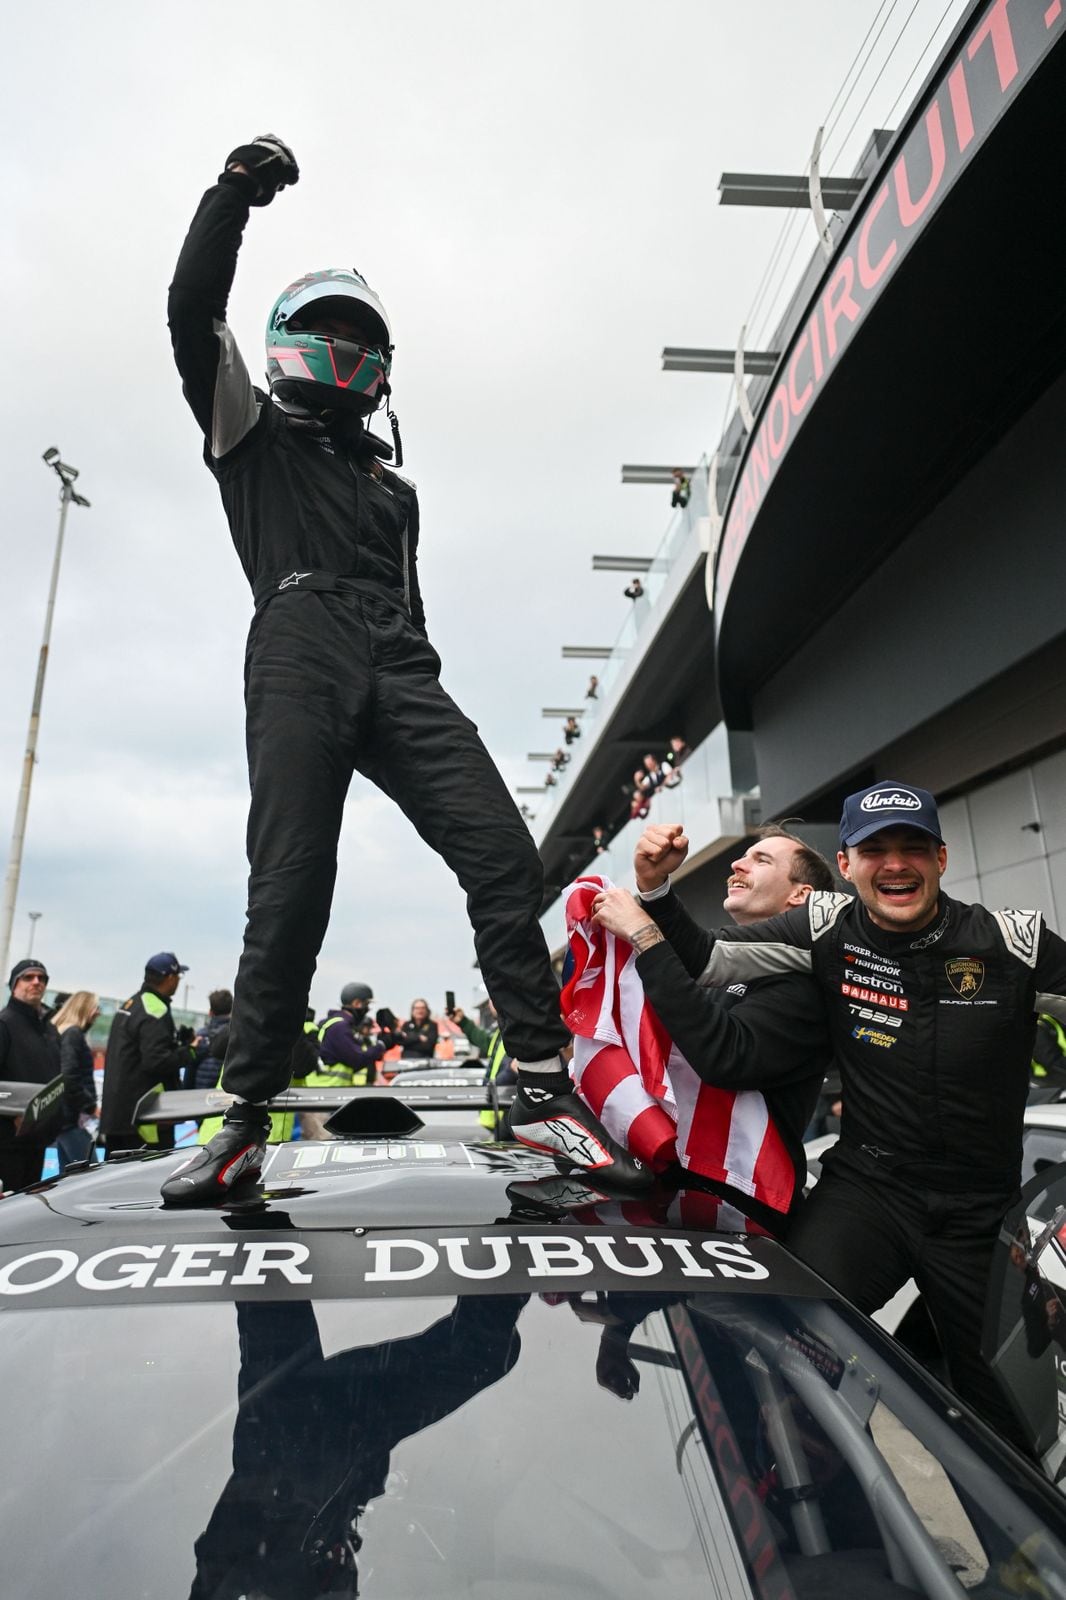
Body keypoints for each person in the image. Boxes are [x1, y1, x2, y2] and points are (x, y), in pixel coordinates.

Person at [162, 135, 642, 1203]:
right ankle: (242, 1119)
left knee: (506, 858)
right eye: (325, 327)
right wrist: (233, 196)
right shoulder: (251, 432)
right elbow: (192, 313)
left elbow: (412, 615)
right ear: (291, 342)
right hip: (296, 639)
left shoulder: (398, 490)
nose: (340, 344)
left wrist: (406, 670)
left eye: (356, 333)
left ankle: (538, 1089)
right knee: (292, 883)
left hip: (402, 660)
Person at [631, 783, 1066, 1441]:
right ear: (850, 862)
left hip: (982, 1217)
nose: (895, 863)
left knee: (1004, 1426)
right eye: (875, 849)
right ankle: (818, 1504)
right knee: (783, 1339)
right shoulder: (824, 925)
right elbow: (709, 958)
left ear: (941, 859)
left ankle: (1018, 1542)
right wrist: (655, 891)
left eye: (912, 847)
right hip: (869, 1197)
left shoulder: (1014, 941)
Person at [589, 826, 835, 1227]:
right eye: (745, 856)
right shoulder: (720, 968)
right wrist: (653, 887)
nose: (737, 864)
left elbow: (725, 1056)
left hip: (744, 1216)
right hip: (671, 1194)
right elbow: (696, 961)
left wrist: (645, 935)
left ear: (800, 896)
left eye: (762, 860)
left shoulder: (810, 979)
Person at [100, 953, 194, 1155]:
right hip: (145, 1120)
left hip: (118, 1115)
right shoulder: (155, 1009)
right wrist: (190, 1052)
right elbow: (156, 1061)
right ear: (170, 977)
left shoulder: (131, 1004)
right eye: (178, 976)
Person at [0, 959, 61, 1192]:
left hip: (38, 1137)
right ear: (15, 985)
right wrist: (11, 1114)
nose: (36, 982)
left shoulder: (48, 1029)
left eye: (42, 978)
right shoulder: (4, 1024)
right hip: (8, 1142)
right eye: (28, 977)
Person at [51, 990, 100, 1172]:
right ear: (84, 1008)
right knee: (91, 1174)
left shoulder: (64, 1034)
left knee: (68, 1178)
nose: (98, 1012)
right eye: (95, 1007)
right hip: (72, 1119)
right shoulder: (73, 1034)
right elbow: (69, 1076)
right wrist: (90, 1106)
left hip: (65, 1120)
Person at [451, 997, 514, 1133]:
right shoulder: (501, 1032)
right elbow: (484, 1041)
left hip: (509, 1113)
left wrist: (499, 1082)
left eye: (494, 997)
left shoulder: (517, 1031)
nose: (491, 1003)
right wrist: (463, 1022)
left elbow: (514, 1068)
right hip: (497, 1111)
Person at [191, 988, 233, 1090]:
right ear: (231, 1010)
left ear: (210, 1012)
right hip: (226, 1092)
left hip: (200, 1093)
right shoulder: (235, 1034)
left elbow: (191, 1068)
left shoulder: (200, 1036)